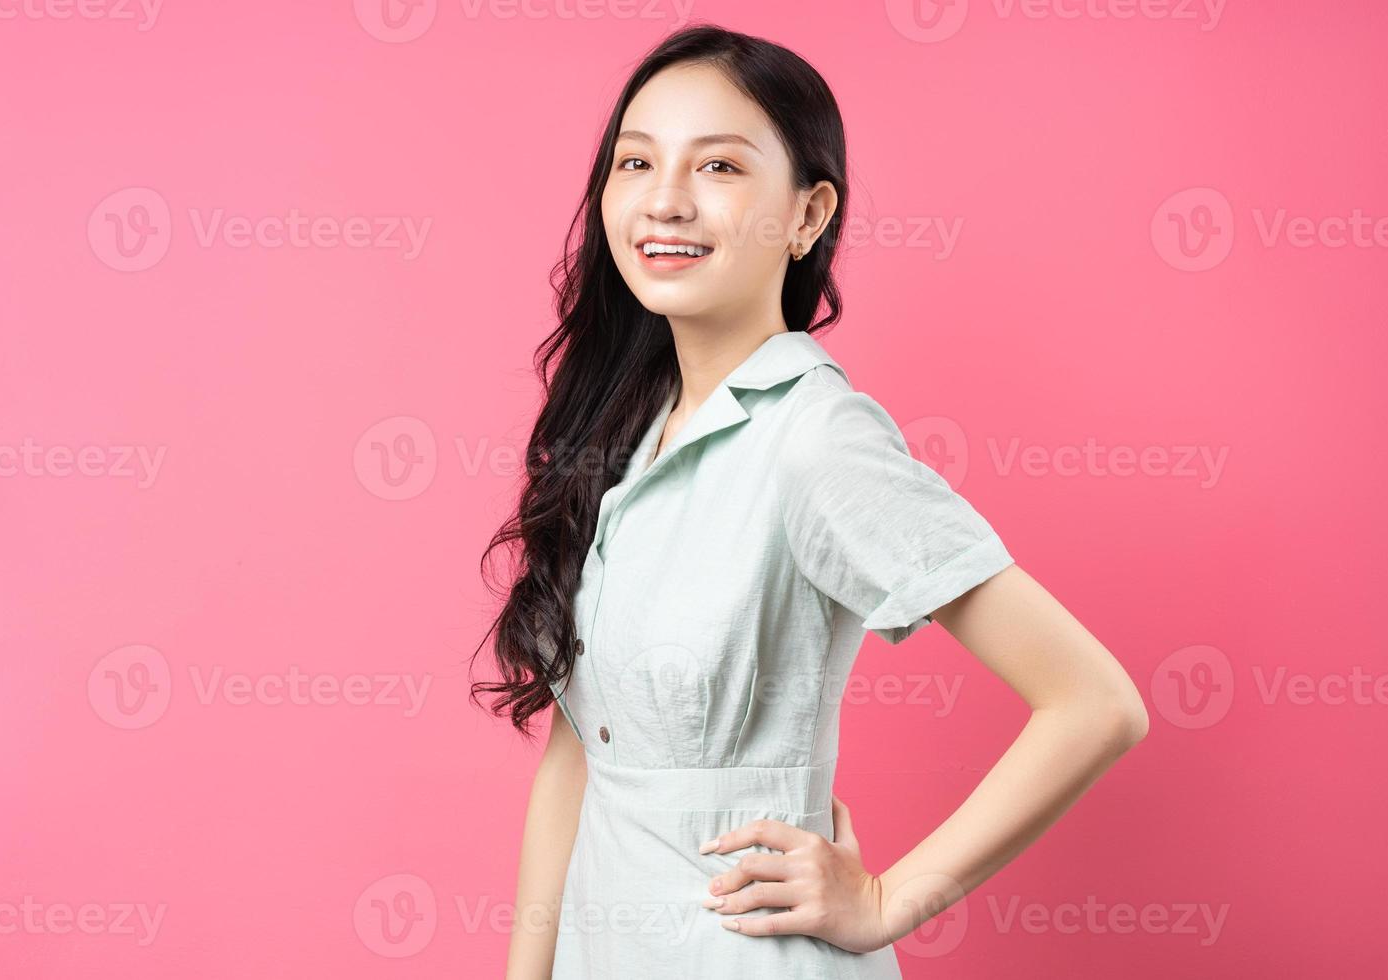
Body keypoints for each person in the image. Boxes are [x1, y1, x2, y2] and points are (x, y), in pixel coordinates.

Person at [474, 23, 1149, 979]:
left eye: (718, 165)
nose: (665, 199)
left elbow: (1095, 703)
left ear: (806, 215)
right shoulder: (618, 436)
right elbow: (578, 754)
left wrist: (883, 903)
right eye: (636, 161)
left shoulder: (816, 441)